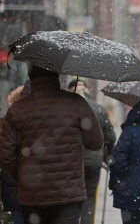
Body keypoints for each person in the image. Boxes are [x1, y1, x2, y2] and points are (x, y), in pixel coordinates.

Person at [0, 65, 104, 224]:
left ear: (30, 76)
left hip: (33, 197)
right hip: (68, 194)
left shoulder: (17, 110)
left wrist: (23, 179)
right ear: (56, 75)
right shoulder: (76, 103)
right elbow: (96, 143)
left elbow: (5, 156)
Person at [67, 79, 116, 224]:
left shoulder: (66, 109)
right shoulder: (99, 109)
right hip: (93, 162)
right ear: (87, 90)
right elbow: (110, 137)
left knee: (70, 199)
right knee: (89, 200)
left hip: (71, 162)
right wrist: (106, 155)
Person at [0, 81, 30, 224]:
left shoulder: (7, 120)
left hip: (16, 190)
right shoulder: (48, 121)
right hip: (43, 192)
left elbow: (5, 156)